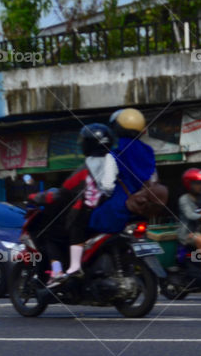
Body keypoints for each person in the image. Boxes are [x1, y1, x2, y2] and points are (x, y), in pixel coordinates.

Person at [55, 123, 119, 283]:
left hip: (91, 211)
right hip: (114, 209)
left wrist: (56, 197)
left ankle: (75, 266)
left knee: (75, 227)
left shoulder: (88, 165)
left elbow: (66, 188)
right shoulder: (115, 160)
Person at [87, 108, 155, 234]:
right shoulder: (148, 151)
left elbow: (107, 185)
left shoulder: (115, 151)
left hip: (119, 205)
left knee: (91, 223)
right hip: (143, 205)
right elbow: (152, 178)